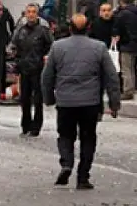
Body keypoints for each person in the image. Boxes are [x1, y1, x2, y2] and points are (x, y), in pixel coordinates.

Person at [42, 14, 121, 190]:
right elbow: (111, 77)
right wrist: (114, 103)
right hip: (90, 102)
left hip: (65, 101)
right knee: (88, 138)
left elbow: (47, 76)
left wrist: (48, 97)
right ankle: (83, 176)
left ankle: (67, 162)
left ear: (70, 28)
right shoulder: (99, 48)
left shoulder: (57, 47)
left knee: (65, 135)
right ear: (89, 27)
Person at [11, 2, 53, 137]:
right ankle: (25, 125)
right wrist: (16, 62)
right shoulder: (20, 30)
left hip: (38, 68)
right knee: (24, 99)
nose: (31, 15)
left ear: (37, 14)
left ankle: (36, 126)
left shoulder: (43, 31)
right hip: (24, 68)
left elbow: (50, 46)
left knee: (38, 99)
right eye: (28, 12)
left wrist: (45, 59)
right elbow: (14, 47)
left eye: (33, 12)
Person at [112, 0, 137, 100]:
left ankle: (127, 91)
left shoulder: (123, 14)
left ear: (122, 2)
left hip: (126, 44)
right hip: (136, 44)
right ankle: (131, 88)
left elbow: (117, 27)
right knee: (131, 68)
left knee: (126, 69)